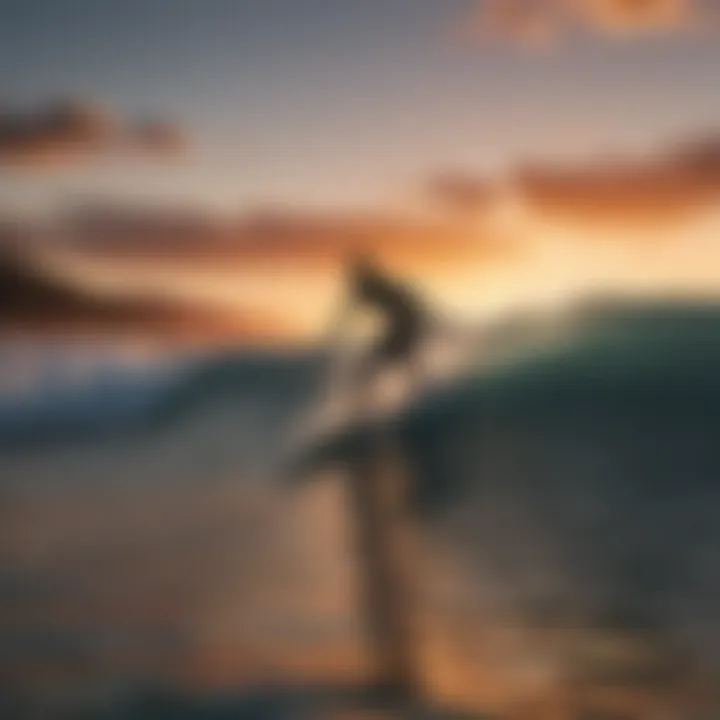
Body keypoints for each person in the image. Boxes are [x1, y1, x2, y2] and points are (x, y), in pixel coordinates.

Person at [329, 254, 429, 396]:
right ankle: (368, 391)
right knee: (391, 358)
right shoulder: (376, 284)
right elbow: (352, 310)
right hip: (405, 325)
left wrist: (339, 328)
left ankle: (366, 392)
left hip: (407, 325)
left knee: (388, 358)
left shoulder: (374, 285)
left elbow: (351, 310)